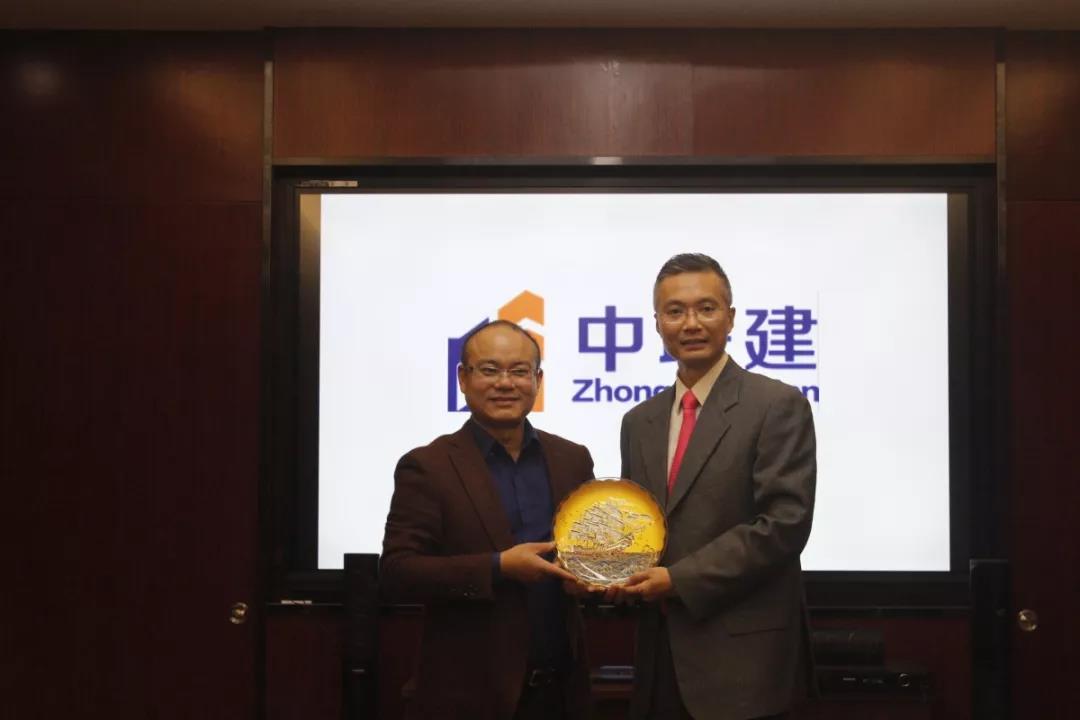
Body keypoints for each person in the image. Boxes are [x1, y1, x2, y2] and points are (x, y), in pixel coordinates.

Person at [615, 253, 817, 720]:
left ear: (731, 317)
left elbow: (783, 525)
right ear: (657, 324)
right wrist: (611, 571)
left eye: (706, 308)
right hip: (659, 658)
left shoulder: (776, 404)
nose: (691, 323)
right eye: (675, 311)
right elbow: (638, 526)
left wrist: (677, 580)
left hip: (743, 666)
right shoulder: (639, 421)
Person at [380, 320, 595, 720]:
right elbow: (398, 571)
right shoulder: (428, 466)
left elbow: (587, 555)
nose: (505, 383)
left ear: (538, 381)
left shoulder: (573, 459)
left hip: (562, 693)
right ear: (463, 379)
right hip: (468, 696)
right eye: (490, 370)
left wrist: (591, 578)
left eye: (519, 371)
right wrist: (498, 567)